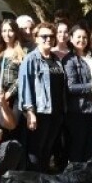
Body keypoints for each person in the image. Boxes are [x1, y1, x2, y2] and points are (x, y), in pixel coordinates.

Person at [19, 25, 68, 171]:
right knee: (36, 149)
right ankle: (34, 181)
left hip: (56, 111)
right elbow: (25, 86)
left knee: (48, 148)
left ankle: (43, 180)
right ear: (36, 38)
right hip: (40, 112)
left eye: (51, 36)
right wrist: (30, 112)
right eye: (44, 36)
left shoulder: (56, 59)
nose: (48, 39)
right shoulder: (30, 59)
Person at [63, 25, 92, 163]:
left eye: (84, 37)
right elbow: (71, 87)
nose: (82, 40)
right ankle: (75, 175)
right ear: (71, 39)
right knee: (78, 146)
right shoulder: (69, 60)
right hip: (78, 110)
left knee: (91, 145)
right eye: (78, 37)